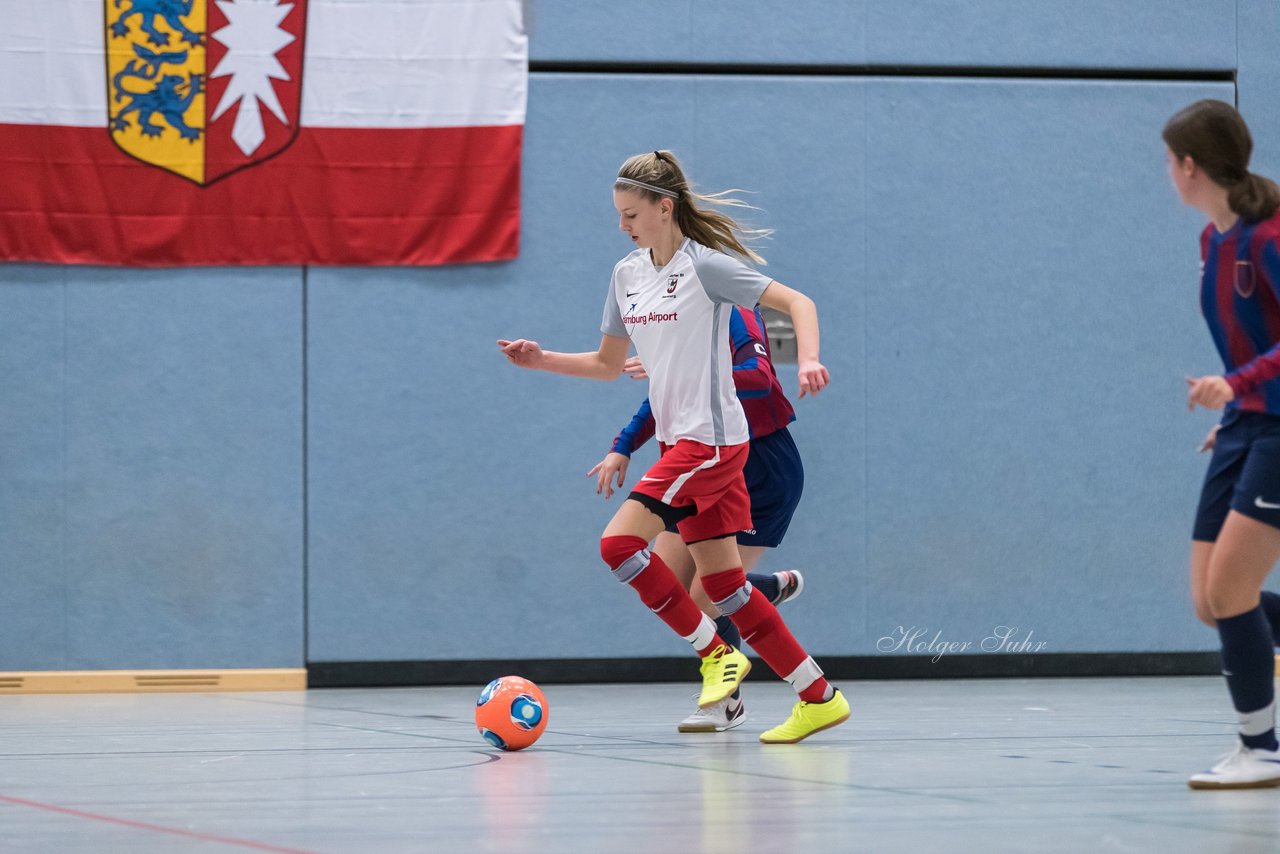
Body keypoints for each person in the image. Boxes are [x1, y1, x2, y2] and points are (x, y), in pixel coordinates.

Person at [499, 150, 849, 743]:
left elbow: (798, 302)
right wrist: (542, 360)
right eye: (618, 215)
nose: (623, 225)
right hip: (679, 442)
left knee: (617, 546)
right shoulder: (626, 276)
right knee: (726, 588)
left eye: (632, 214)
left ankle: (717, 656)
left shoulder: (707, 268)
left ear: (666, 208)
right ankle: (818, 696)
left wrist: (808, 358)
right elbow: (609, 365)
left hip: (711, 444)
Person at [589, 303, 807, 733]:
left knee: (710, 596)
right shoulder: (676, 317)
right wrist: (623, 445)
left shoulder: (735, 310)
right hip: (698, 461)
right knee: (672, 587)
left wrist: (689, 376)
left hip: (760, 467)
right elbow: (666, 398)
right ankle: (762, 590)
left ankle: (726, 702)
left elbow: (760, 379)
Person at [1166, 99, 1280, 788]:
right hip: (1247, 423)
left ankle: (1261, 748)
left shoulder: (1269, 238)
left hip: (1276, 426)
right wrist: (1236, 406)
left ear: (1189, 165)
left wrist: (1235, 384)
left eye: (1168, 162)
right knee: (1210, 601)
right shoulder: (1214, 241)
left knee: (1233, 590)